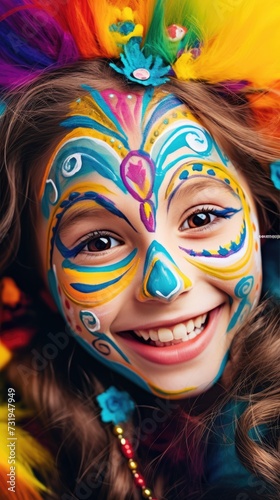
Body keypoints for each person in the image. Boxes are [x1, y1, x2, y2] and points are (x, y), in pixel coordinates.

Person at [0, 1, 279, 499]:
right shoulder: (23, 442)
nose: (165, 283)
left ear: (261, 215)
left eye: (201, 218)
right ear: (36, 280)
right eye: (99, 242)